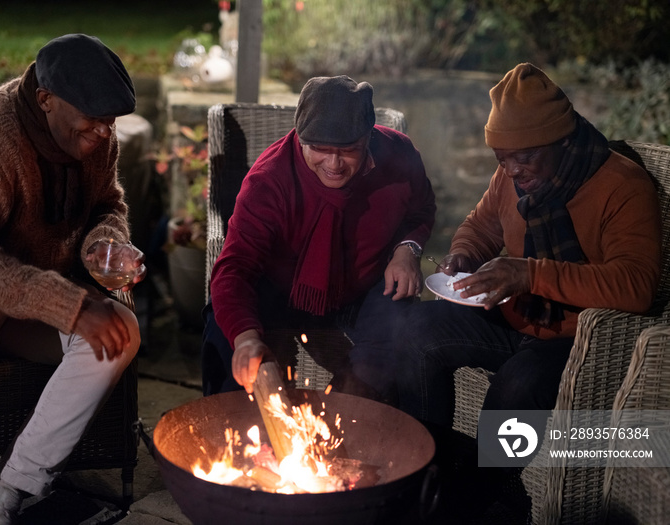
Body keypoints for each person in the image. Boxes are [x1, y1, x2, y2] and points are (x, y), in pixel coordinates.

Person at [395, 63, 661, 519]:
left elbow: (636, 286)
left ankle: (476, 496)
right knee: (416, 329)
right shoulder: (511, 175)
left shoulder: (622, 185)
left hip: (578, 341)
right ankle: (430, 470)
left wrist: (529, 274)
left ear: (561, 141)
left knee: (519, 381)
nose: (513, 171)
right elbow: (480, 226)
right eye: (502, 159)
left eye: (525, 158)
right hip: (516, 318)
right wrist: (463, 257)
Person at [0, 34, 145, 524]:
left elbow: (108, 202)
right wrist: (70, 305)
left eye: (112, 121)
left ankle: (13, 492)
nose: (106, 132)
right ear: (46, 100)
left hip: (41, 295)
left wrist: (104, 246)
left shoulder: (94, 137)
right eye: (95, 119)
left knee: (118, 332)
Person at [202, 75, 436, 403]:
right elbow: (235, 267)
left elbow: (421, 210)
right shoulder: (269, 180)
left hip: (363, 288)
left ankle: (351, 419)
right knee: (224, 328)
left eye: (348, 151)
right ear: (300, 138)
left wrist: (407, 249)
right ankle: (230, 429)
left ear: (369, 137)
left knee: (401, 326)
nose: (334, 164)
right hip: (282, 291)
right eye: (319, 150)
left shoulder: (398, 155)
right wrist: (245, 340)